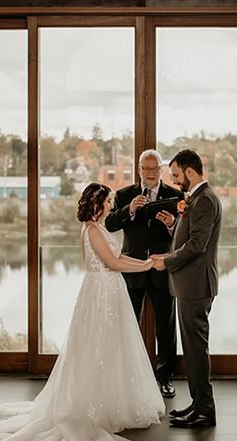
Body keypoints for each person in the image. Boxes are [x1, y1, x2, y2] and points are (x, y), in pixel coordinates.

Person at [0, 183, 165, 441]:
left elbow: (120, 259)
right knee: (97, 349)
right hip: (101, 294)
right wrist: (148, 266)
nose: (113, 205)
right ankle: (94, 405)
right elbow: (113, 263)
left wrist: (145, 262)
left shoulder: (97, 229)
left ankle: (110, 401)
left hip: (108, 293)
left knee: (110, 349)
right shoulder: (93, 231)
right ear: (98, 204)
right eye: (109, 201)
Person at [105, 149, 183, 399]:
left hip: (161, 268)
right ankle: (129, 378)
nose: (150, 173)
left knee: (166, 327)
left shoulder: (175, 195)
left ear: (161, 169)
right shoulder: (124, 195)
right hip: (131, 270)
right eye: (146, 169)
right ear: (139, 169)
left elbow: (184, 234)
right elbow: (109, 224)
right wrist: (129, 209)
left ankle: (165, 379)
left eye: (155, 168)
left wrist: (172, 224)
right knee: (129, 324)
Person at [152, 149, 222, 429]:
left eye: (177, 175)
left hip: (196, 284)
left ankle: (205, 410)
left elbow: (197, 246)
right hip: (189, 283)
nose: (175, 180)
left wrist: (166, 261)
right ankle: (198, 404)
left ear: (190, 172)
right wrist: (173, 225)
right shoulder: (197, 199)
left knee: (196, 348)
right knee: (192, 349)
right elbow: (189, 235)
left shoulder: (205, 200)